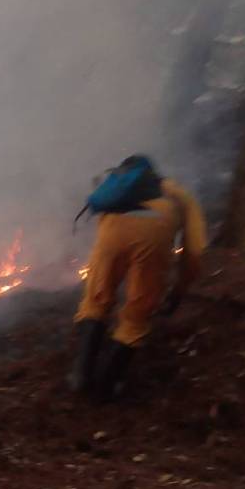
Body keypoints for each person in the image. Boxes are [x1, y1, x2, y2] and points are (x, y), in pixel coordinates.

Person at [68, 155, 207, 401]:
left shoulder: (118, 190)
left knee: (96, 301)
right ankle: (107, 386)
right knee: (137, 313)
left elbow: (103, 224)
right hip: (154, 237)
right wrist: (179, 289)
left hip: (111, 232)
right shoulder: (181, 196)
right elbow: (195, 251)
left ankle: (81, 374)